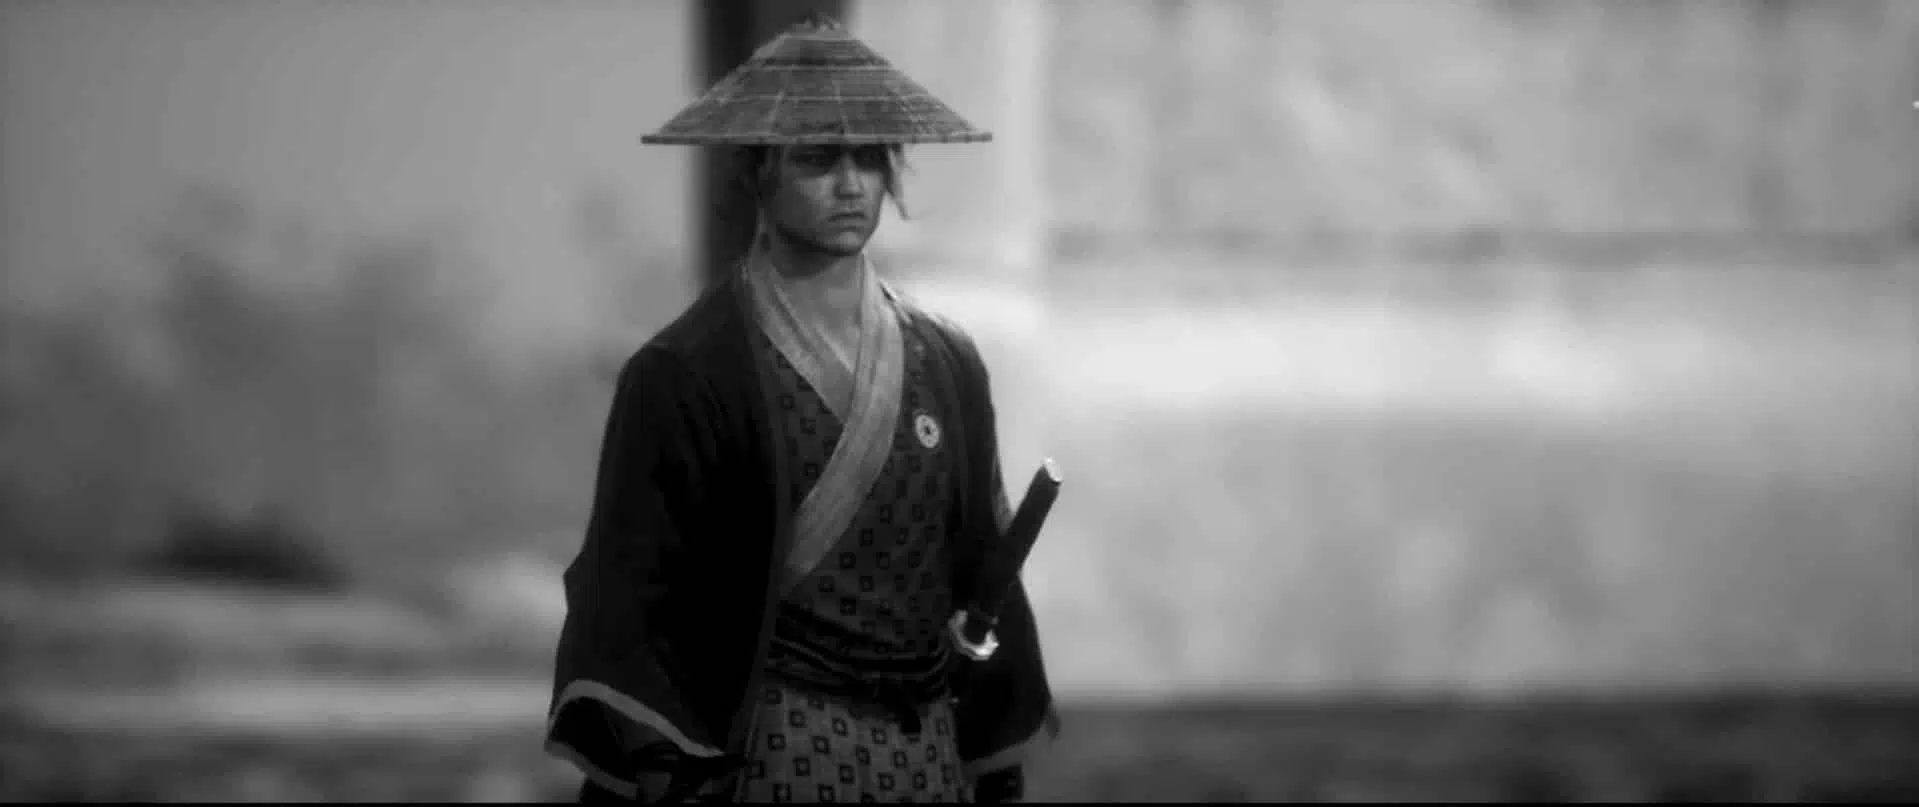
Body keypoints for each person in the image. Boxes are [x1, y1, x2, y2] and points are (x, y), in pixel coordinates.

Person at [544, 15, 1060, 804]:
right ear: (758, 170)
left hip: (925, 750)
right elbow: (633, 596)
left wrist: (994, 767)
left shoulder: (946, 361)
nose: (850, 184)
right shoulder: (683, 373)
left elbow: (983, 563)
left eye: (870, 158)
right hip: (774, 747)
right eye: (818, 159)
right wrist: (667, 772)